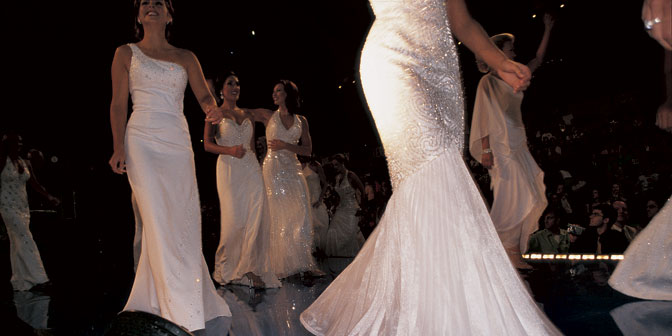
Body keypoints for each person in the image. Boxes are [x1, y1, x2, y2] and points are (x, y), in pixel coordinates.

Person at [300, 0, 560, 334]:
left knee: (442, 177)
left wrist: (500, 61)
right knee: (433, 172)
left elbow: (461, 20)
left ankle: (440, 304)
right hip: (393, 58)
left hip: (442, 72)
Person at [107, 0, 229, 331]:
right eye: (145, 2)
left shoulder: (186, 56)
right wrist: (118, 146)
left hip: (176, 141)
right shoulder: (125, 53)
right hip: (142, 140)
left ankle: (181, 298)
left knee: (182, 220)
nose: (151, 6)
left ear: (169, 14)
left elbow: (204, 96)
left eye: (158, 2)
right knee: (157, 220)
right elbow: (118, 105)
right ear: (137, 14)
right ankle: (171, 305)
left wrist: (212, 109)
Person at [469, 14, 554, 270]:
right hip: (499, 146)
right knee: (512, 196)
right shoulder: (488, 82)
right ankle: (505, 249)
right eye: (509, 48)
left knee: (528, 193)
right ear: (497, 52)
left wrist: (547, 29)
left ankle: (511, 250)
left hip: (519, 142)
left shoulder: (516, 77)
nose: (513, 51)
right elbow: (483, 117)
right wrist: (485, 150)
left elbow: (537, 60)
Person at [203, 72, 280, 288]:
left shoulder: (247, 113)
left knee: (256, 215)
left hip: (251, 167)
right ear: (221, 90)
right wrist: (229, 150)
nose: (235, 87)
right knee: (234, 220)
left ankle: (251, 268)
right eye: (230, 83)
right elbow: (207, 144)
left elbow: (254, 144)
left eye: (238, 83)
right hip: (228, 168)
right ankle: (228, 269)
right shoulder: (214, 113)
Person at [246, 80, 321, 278]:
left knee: (300, 213)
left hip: (293, 168)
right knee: (277, 214)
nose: (274, 94)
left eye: (278, 90)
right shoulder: (268, 115)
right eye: (273, 91)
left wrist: (286, 146)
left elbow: (308, 149)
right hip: (273, 169)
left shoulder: (301, 121)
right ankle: (281, 265)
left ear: (288, 93)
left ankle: (302, 262)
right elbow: (245, 113)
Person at [0, 132, 59, 292]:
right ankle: (39, 278)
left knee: (16, 243)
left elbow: (35, 184)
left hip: (23, 208)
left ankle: (20, 280)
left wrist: (49, 196)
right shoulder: (2, 161)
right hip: (7, 207)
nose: (19, 145)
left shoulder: (24, 162)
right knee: (26, 238)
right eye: (16, 142)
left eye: (20, 142)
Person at [324, 154, 365, 257]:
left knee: (351, 235)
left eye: (336, 164)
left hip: (352, 209)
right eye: (333, 165)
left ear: (342, 164)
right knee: (332, 229)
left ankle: (354, 259)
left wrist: (362, 208)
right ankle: (337, 259)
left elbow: (363, 191)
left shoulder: (351, 175)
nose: (335, 167)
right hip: (341, 209)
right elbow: (338, 195)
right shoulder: (337, 178)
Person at [300, 156, 329, 254]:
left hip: (317, 200)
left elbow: (325, 183)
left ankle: (323, 253)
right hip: (307, 202)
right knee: (311, 230)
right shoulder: (298, 165)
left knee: (321, 228)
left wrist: (320, 199)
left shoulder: (316, 165)